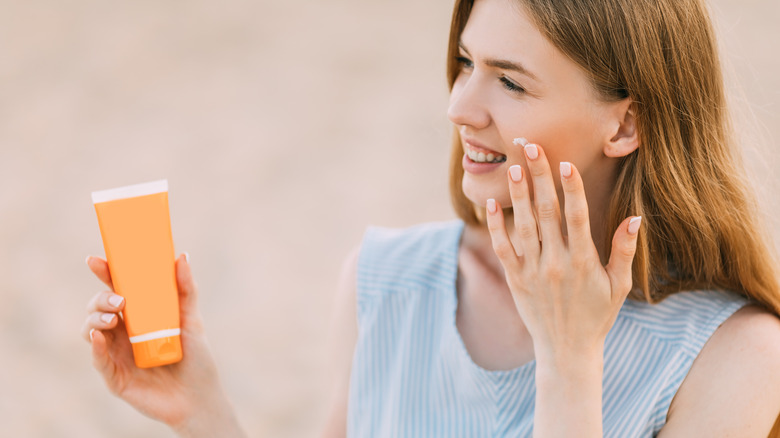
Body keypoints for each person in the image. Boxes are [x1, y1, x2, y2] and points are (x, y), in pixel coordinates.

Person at [82, 0, 780, 436]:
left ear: (625, 124)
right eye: (464, 62)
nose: (459, 106)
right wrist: (200, 412)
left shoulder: (737, 358)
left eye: (510, 80)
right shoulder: (389, 284)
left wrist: (569, 365)